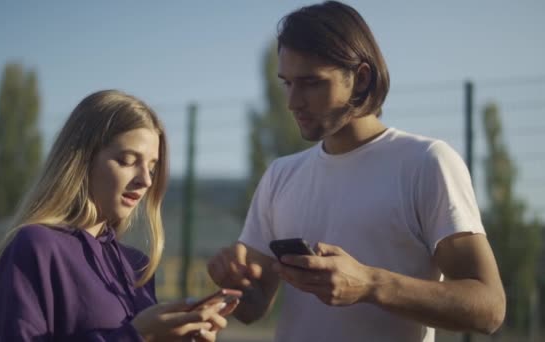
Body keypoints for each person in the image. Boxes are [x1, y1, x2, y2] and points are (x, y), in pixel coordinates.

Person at [207, 2, 506, 341]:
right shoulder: (280, 175)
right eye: (287, 83)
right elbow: (254, 308)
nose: (293, 102)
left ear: (360, 78)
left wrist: (370, 284)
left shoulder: (426, 163)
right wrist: (235, 282)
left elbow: (489, 308)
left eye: (311, 83)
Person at [0, 90, 234, 341]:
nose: (145, 180)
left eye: (152, 168)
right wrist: (138, 336)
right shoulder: (36, 247)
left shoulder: (137, 266)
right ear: (82, 160)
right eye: (128, 160)